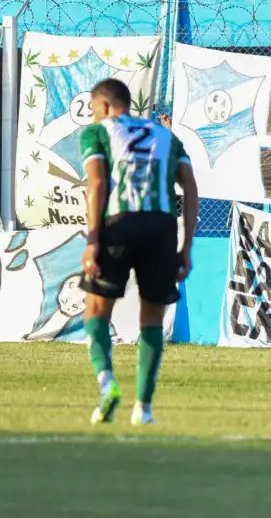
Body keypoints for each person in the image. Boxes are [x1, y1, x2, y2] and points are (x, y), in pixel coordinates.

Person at [80, 78, 199, 426]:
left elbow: (98, 183)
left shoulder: (98, 132)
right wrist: (186, 244)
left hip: (119, 224)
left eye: (91, 110)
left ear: (103, 107)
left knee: (95, 312)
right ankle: (143, 409)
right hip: (161, 228)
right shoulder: (166, 136)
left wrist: (92, 239)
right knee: (152, 319)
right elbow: (190, 187)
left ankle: (107, 385)